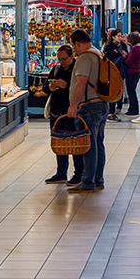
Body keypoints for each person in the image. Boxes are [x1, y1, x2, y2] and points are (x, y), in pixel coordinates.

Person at [67, 29, 108, 193]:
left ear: (78, 43)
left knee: (88, 145)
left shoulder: (85, 57)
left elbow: (81, 82)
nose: (74, 51)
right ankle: (98, 179)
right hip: (101, 104)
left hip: (89, 105)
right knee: (98, 143)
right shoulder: (98, 53)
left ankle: (88, 181)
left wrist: (73, 105)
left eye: (74, 46)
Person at [43, 44, 85, 184]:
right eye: (59, 59)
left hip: (72, 112)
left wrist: (66, 86)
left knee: (75, 143)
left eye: (64, 59)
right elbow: (44, 87)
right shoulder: (56, 69)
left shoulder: (78, 69)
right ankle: (61, 173)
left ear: (72, 56)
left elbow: (82, 89)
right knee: (60, 143)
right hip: (57, 112)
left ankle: (79, 174)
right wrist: (50, 87)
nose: (61, 62)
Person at [103, 29, 127, 122]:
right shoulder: (110, 47)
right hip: (111, 72)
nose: (120, 38)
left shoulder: (119, 46)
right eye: (118, 36)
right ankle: (110, 113)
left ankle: (112, 111)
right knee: (112, 92)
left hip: (117, 72)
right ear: (113, 37)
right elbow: (107, 59)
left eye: (120, 36)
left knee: (116, 91)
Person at [123, 31, 140, 115]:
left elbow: (129, 61)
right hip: (138, 71)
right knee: (132, 91)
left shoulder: (135, 49)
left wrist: (124, 59)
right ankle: (133, 108)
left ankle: (134, 110)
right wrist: (127, 55)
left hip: (132, 71)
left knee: (131, 91)